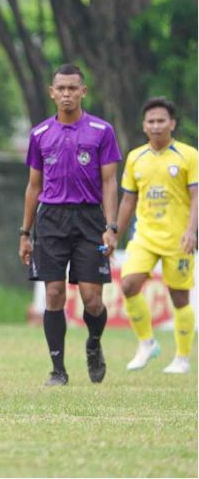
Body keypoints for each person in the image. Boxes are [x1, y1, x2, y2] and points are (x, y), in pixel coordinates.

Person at [18, 63, 121, 386]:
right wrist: (24, 233)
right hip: (51, 220)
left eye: (72, 88)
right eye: (60, 88)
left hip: (90, 219)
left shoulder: (102, 131)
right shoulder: (39, 134)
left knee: (92, 298)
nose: (66, 94)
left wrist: (111, 226)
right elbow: (33, 186)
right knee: (53, 293)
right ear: (52, 92)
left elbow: (109, 182)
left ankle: (93, 344)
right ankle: (58, 370)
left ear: (83, 91)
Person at [117, 97, 197, 374]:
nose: (156, 125)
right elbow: (128, 200)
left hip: (178, 239)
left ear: (172, 123)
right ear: (144, 126)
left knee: (179, 297)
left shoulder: (188, 155)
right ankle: (147, 343)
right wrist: (114, 233)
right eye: (151, 121)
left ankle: (183, 358)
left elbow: (196, 196)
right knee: (128, 285)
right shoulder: (135, 158)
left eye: (161, 120)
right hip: (145, 237)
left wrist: (191, 231)